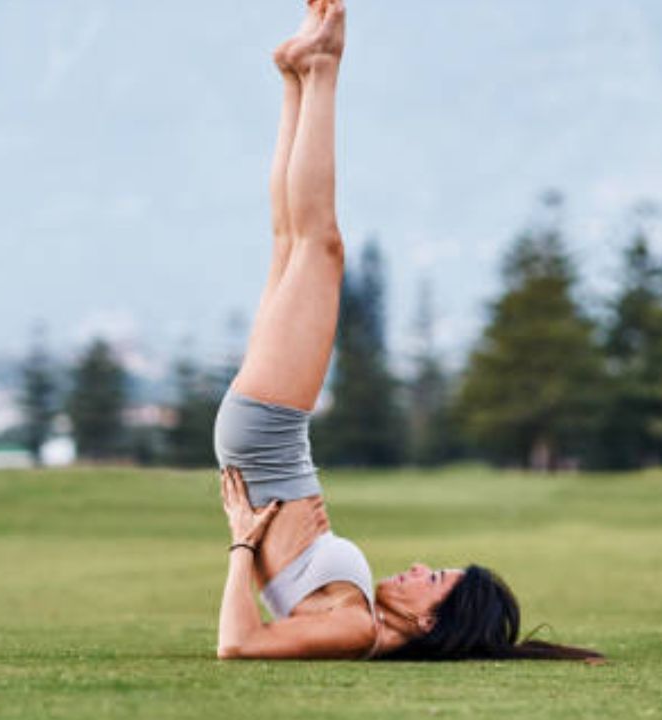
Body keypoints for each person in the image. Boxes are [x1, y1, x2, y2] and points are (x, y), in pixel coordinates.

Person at [213, 0, 601, 662]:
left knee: (321, 247)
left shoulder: (357, 631)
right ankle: (296, 78)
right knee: (292, 244)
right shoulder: (360, 620)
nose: (420, 566)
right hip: (264, 443)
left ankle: (324, 70)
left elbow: (238, 646)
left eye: (434, 581)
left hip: (269, 438)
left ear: (429, 624)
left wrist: (243, 540)